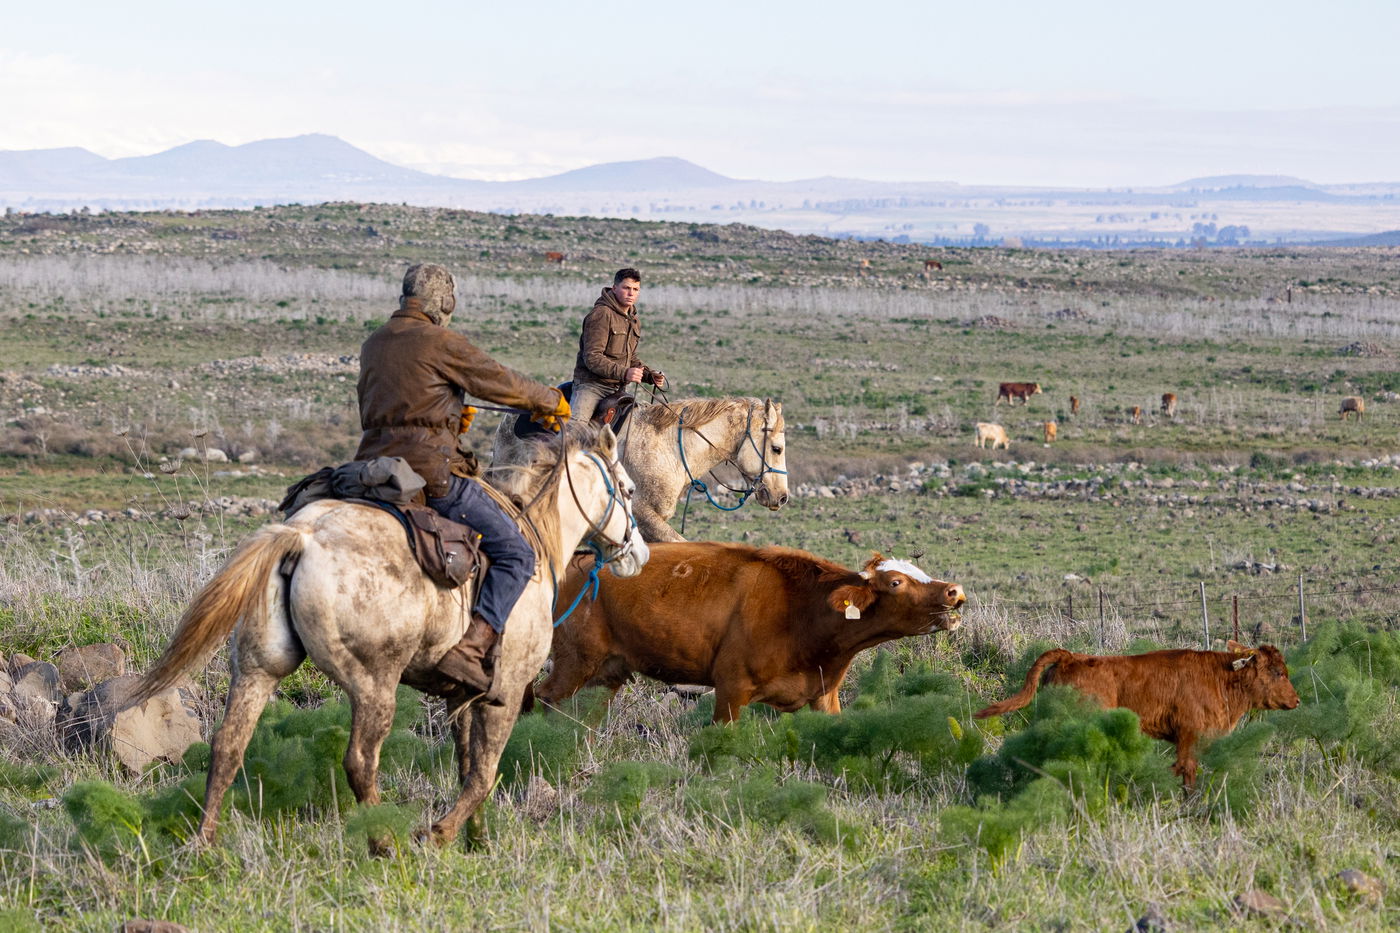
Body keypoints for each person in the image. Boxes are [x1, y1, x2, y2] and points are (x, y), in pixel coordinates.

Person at [356, 263, 571, 693]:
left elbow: (395, 405)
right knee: (517, 552)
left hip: (371, 466)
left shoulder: (374, 343)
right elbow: (498, 380)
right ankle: (472, 649)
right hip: (431, 473)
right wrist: (552, 402)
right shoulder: (440, 341)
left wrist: (450, 419)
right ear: (443, 302)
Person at [570, 267, 666, 422]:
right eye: (626, 288)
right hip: (592, 387)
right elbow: (592, 358)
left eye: (635, 289)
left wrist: (649, 375)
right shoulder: (601, 314)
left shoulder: (633, 320)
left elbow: (629, 356)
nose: (631, 293)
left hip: (618, 389)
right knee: (574, 431)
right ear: (614, 288)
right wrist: (625, 373)